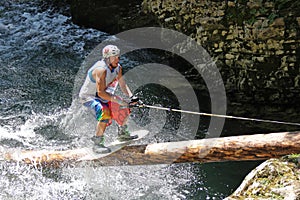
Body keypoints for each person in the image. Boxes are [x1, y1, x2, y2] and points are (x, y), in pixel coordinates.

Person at [79, 44, 139, 153]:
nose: (117, 58)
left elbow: (122, 84)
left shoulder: (118, 68)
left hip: (101, 95)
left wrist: (131, 97)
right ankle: (97, 144)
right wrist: (119, 100)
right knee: (104, 111)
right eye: (114, 56)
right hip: (88, 97)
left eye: (118, 56)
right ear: (107, 58)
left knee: (124, 107)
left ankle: (122, 133)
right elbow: (101, 93)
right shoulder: (100, 70)